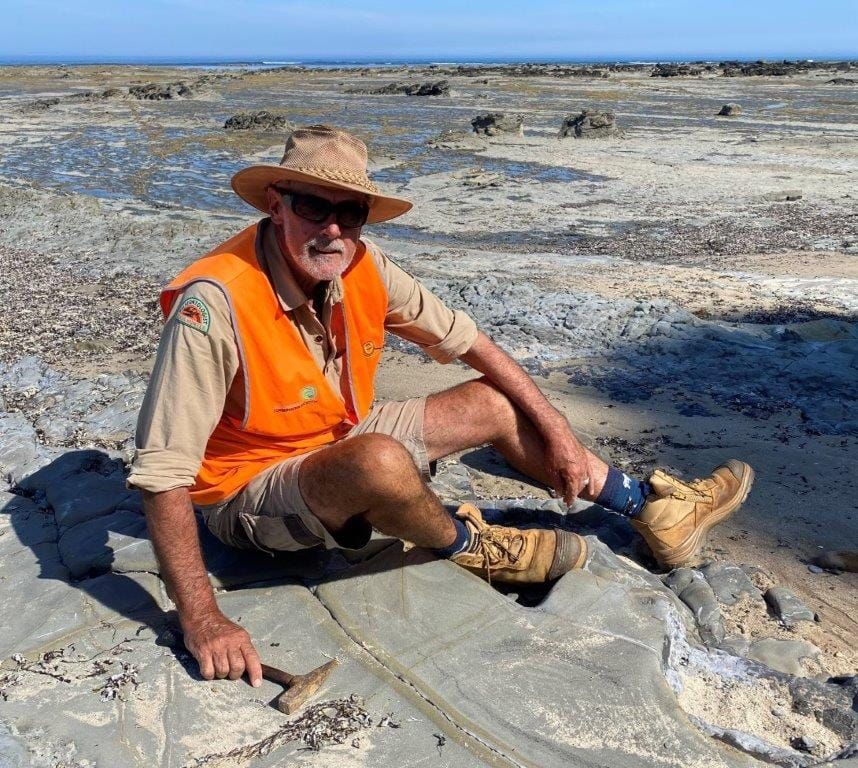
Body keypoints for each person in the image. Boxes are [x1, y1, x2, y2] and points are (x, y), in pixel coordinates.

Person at [129, 125, 754, 689]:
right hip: (247, 490)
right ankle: (467, 547)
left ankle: (647, 508)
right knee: (376, 462)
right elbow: (161, 477)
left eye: (350, 212)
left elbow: (472, 343)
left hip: (332, 436)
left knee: (494, 401)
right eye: (313, 206)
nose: (333, 228)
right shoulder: (214, 304)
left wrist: (559, 431)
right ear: (277, 205)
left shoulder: (361, 266)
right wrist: (203, 617)